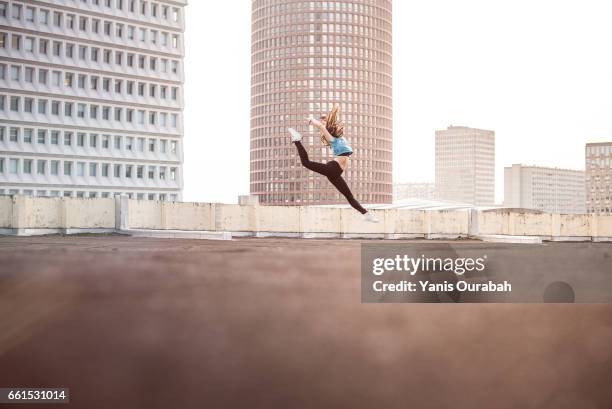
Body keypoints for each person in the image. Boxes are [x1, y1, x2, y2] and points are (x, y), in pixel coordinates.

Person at [288, 105, 379, 223]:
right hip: (333, 168)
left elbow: (328, 125)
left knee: (349, 197)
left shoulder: (341, 139)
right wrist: (313, 121)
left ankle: (366, 214)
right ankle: (297, 140)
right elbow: (322, 127)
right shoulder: (333, 140)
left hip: (336, 173)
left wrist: (325, 120)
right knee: (306, 163)